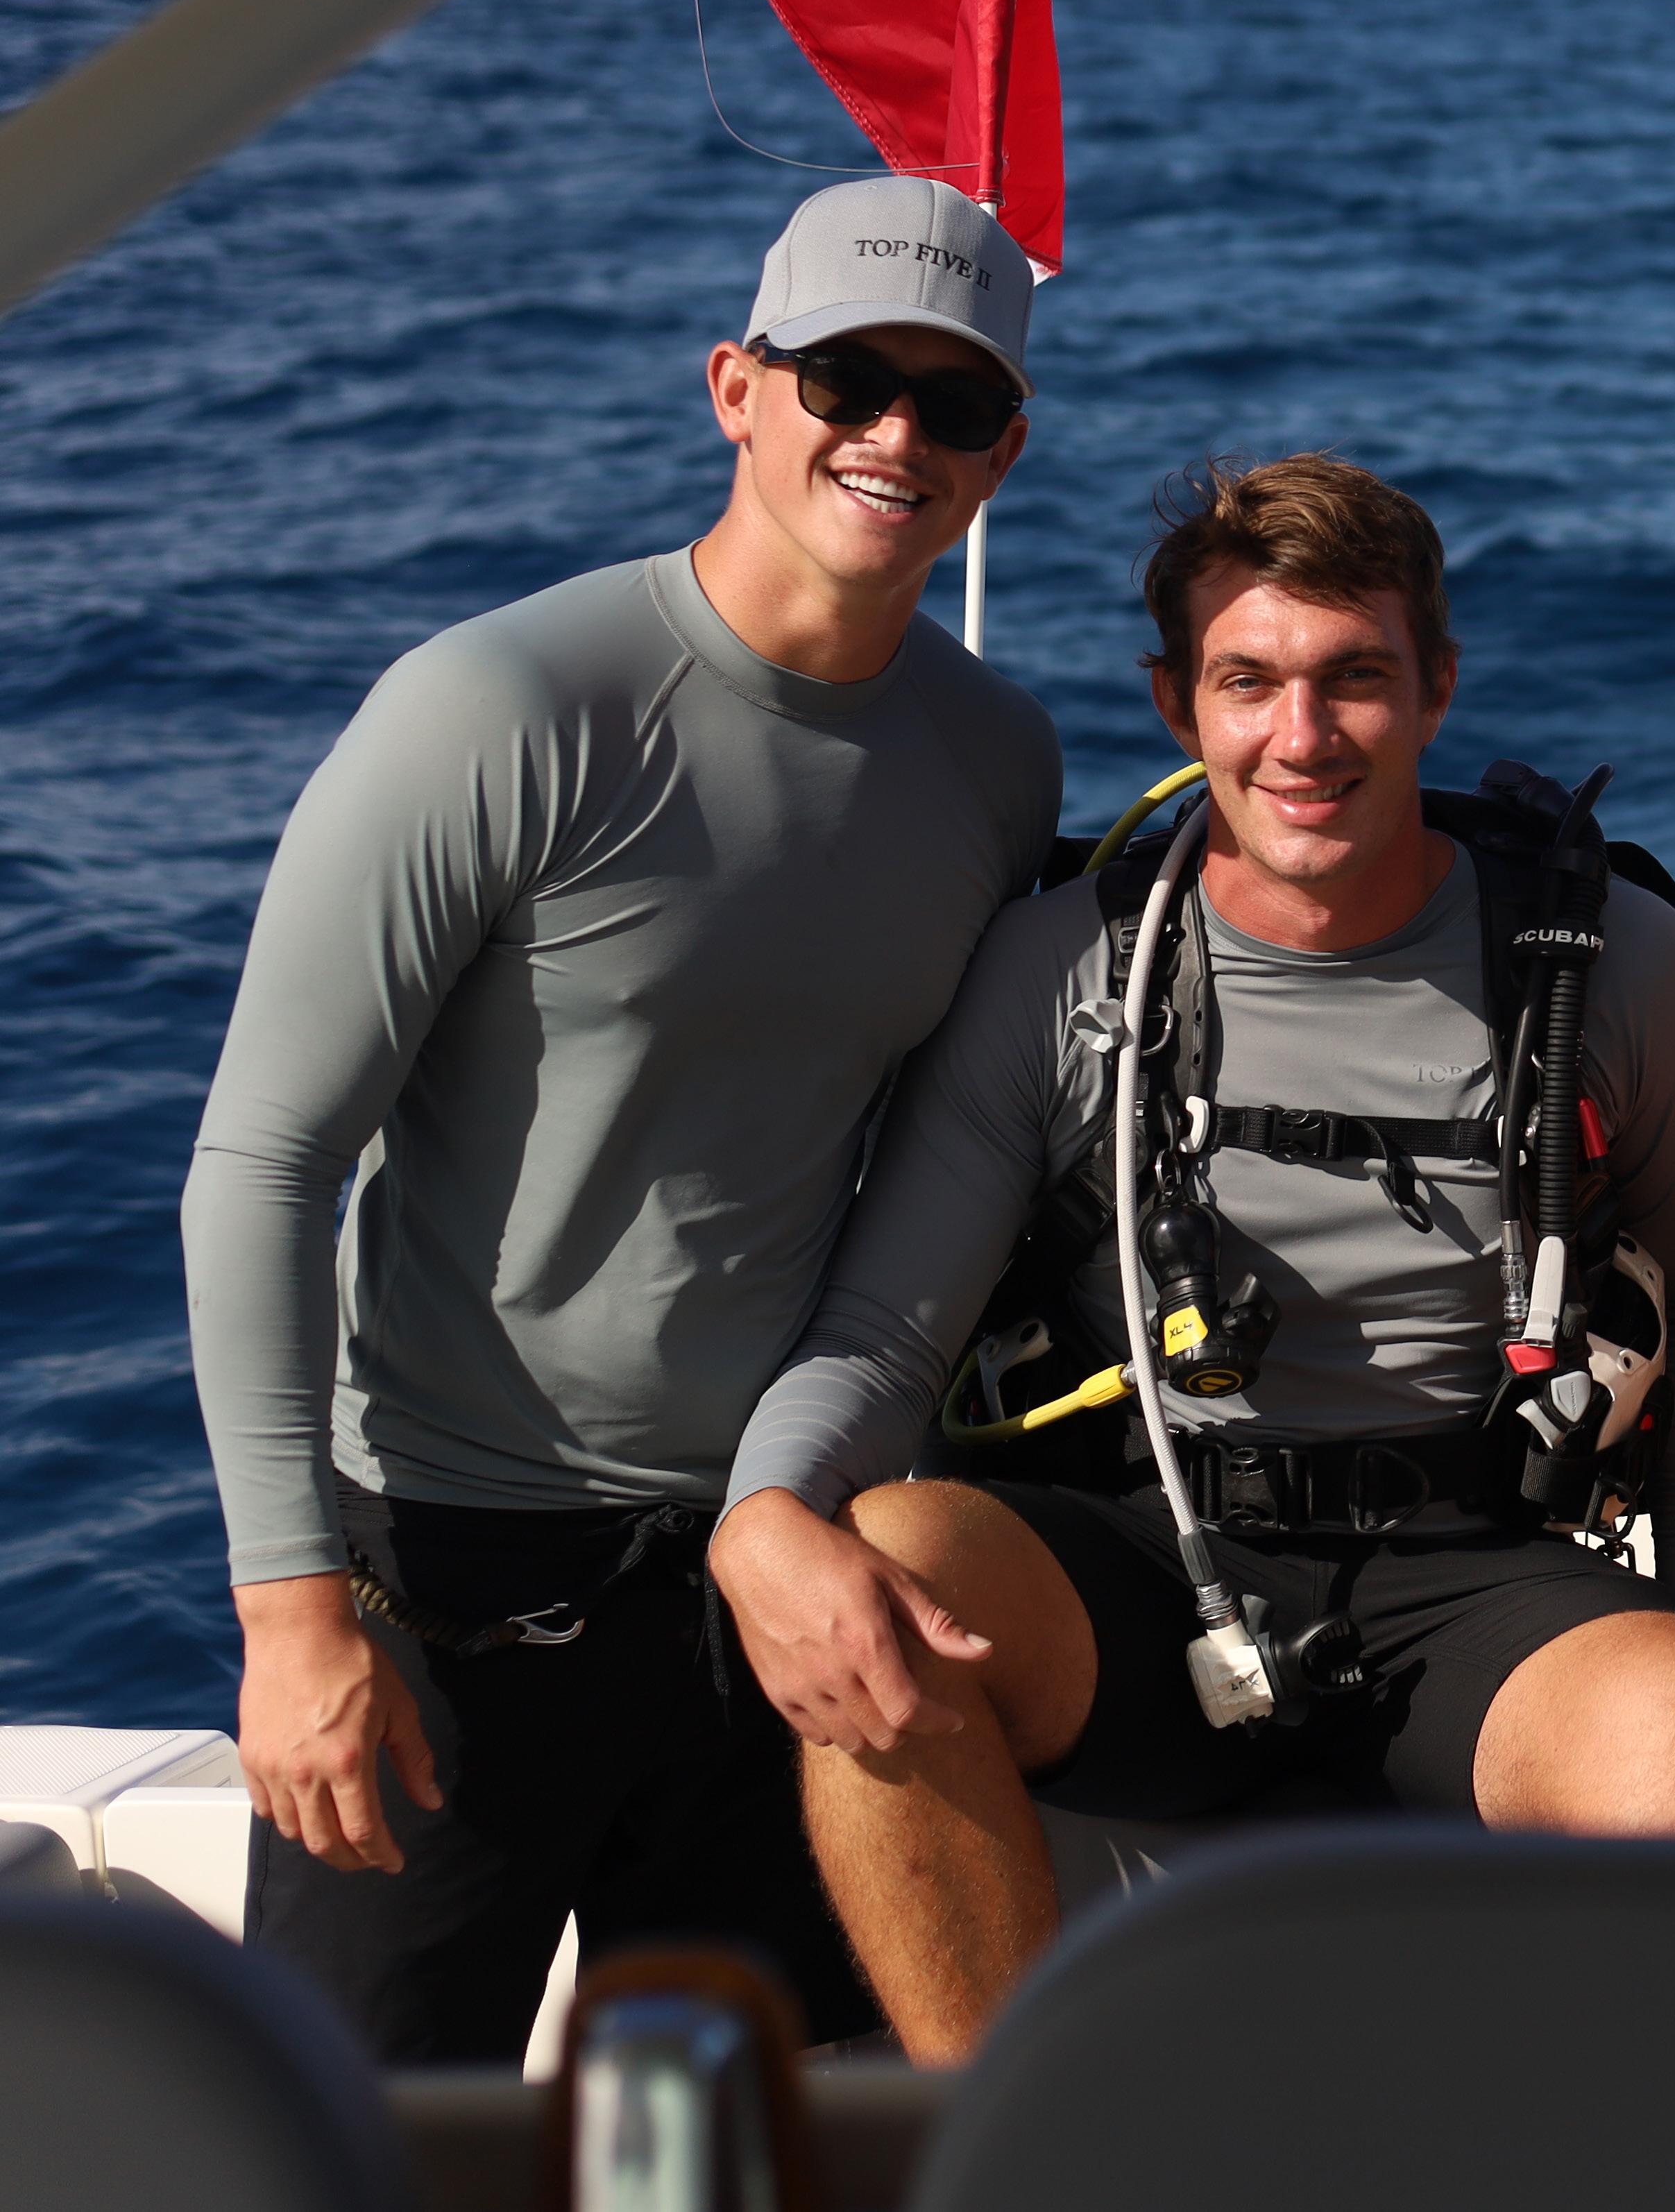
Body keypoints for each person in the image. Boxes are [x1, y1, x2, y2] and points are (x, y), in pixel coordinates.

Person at [711, 451, 1675, 2064]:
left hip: (1481, 1566)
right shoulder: (1067, 975)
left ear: (1437, 688)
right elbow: (881, 1330)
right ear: (1176, 703)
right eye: (1250, 681)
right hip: (1151, 1553)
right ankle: (1000, 2136)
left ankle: (1531, 2145)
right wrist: (765, 1515)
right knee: (883, 1565)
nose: (1304, 734)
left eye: (1356, 677)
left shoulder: (1611, 970)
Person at [185, 176, 1058, 2059]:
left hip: (776, 1570)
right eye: (846, 379)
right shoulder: (496, 707)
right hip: (445, 1590)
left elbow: (949, 1162)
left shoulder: (997, 757)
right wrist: (290, 1617)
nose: (896, 434)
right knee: (352, 2154)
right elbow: (261, 1163)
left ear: (1006, 451)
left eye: (956, 400)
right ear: (736, 386)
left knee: (731, 2154)